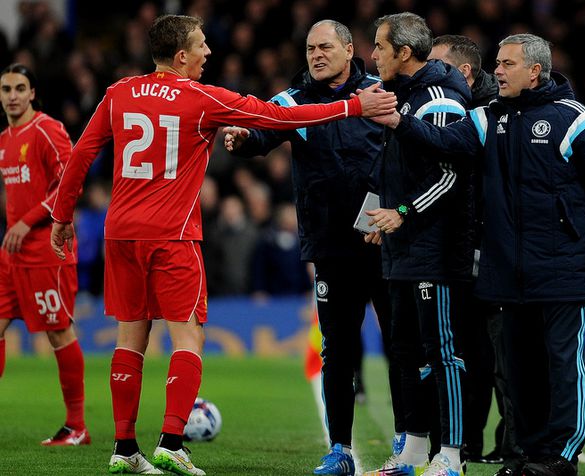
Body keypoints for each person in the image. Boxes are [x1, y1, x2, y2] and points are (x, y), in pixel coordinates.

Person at [49, 14, 396, 476]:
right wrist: (353, 108)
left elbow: (82, 153)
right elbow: (279, 116)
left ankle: (124, 446)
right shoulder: (201, 97)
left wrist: (61, 215)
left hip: (121, 232)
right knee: (188, 336)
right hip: (172, 235)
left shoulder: (118, 93)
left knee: (130, 338)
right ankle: (172, 441)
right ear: (180, 56)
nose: (209, 53)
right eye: (201, 46)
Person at [371, 33, 585, 476]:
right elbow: (445, 142)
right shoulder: (489, 118)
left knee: (564, 368)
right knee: (518, 370)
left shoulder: (576, 120)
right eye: (497, 62)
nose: (497, 70)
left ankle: (561, 456)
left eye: (507, 63)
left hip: (562, 269)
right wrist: (399, 122)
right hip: (505, 272)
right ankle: (525, 455)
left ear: (534, 70)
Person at [223, 19, 403, 476]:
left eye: (324, 47)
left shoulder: (381, 91)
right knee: (338, 352)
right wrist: (243, 140)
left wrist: (398, 209)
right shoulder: (292, 101)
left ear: (348, 49)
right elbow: (262, 130)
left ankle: (410, 441)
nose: (316, 55)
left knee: (402, 344)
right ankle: (340, 450)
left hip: (384, 239)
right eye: (309, 49)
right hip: (330, 246)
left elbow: (409, 150)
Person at [364, 13, 473, 476]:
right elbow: (393, 169)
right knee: (404, 350)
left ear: (404, 52)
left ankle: (451, 455)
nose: (373, 55)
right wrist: (374, 217)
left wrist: (403, 212)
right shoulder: (401, 96)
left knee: (442, 352)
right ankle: (412, 451)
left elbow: (451, 175)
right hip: (402, 248)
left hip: (435, 248)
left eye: (379, 46)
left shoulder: (438, 99)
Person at [428, 34, 516, 468]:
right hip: (461, 251)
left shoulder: (496, 114)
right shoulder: (455, 108)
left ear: (463, 72)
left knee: (504, 356)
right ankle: (464, 442)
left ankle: (512, 444)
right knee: (465, 353)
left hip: (496, 251)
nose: (431, 74)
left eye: (439, 67)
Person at [0, 63, 89, 446]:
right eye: (6, 89)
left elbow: (72, 182)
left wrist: (28, 221)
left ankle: (77, 426)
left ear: (32, 93)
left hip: (45, 250)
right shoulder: (5, 138)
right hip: (12, 254)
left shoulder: (47, 130)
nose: (13, 95)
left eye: (20, 88)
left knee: (58, 332)